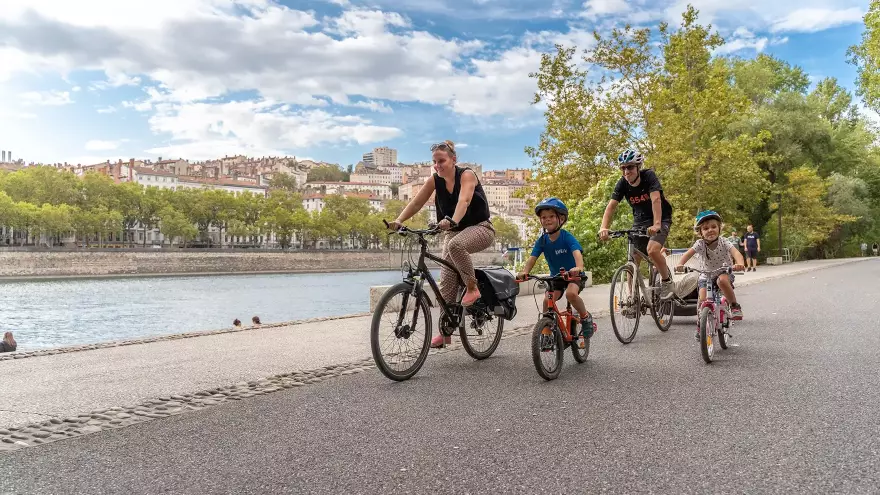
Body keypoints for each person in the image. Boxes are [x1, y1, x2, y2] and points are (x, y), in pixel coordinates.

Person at [388, 140, 495, 348]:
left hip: (481, 227)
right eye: (434, 162)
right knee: (446, 283)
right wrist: (400, 221)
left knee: (456, 245)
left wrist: (452, 220)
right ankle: (445, 332)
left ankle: (473, 288)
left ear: (454, 159)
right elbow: (416, 203)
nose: (438, 166)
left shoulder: (466, 175)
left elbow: (464, 201)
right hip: (453, 231)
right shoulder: (434, 180)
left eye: (442, 161)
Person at [518, 198, 596, 348]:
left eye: (551, 216)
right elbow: (532, 258)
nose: (547, 220)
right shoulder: (542, 241)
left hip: (574, 276)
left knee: (571, 295)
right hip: (557, 278)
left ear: (561, 219)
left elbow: (577, 254)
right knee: (547, 301)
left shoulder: (567, 237)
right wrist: (525, 272)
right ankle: (546, 333)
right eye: (544, 217)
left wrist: (578, 267)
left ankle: (585, 317)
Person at [599, 148, 675, 299]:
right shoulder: (622, 183)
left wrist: (657, 224)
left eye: (630, 167)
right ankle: (632, 297)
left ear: (638, 167)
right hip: (640, 220)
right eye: (623, 168)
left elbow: (656, 199)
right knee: (633, 258)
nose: (627, 171)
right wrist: (604, 227)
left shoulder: (649, 176)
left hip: (660, 217)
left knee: (652, 250)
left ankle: (667, 282)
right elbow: (611, 206)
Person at [674, 211, 745, 334]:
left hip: (723, 271)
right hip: (705, 275)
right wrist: (680, 265)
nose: (710, 230)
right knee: (702, 300)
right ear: (700, 232)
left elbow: (736, 253)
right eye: (705, 228)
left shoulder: (724, 242)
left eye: (713, 227)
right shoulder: (699, 244)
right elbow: (687, 254)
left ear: (719, 228)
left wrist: (739, 263)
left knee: (722, 280)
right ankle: (701, 324)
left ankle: (734, 306)